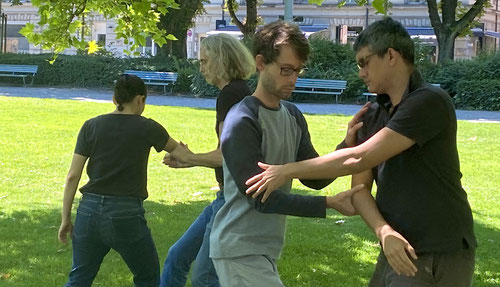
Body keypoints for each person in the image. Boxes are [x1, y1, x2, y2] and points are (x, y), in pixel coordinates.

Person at [246, 17, 477, 286]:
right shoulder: (373, 114)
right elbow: (360, 190)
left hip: (440, 247)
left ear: (390, 56)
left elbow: (359, 158)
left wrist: (286, 171)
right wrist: (384, 231)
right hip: (397, 246)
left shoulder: (430, 102)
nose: (361, 73)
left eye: (365, 62)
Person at [209, 20, 364, 287]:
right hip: (238, 249)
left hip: (264, 249)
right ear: (260, 62)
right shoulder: (242, 119)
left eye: (297, 71)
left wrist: (346, 145)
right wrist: (329, 204)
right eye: (285, 70)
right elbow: (261, 199)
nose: (292, 79)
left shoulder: (292, 115)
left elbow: (313, 177)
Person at [58, 74, 181, 287]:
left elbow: (72, 176)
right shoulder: (148, 127)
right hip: (126, 214)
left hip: (88, 212)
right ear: (140, 99)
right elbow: (181, 152)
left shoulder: (91, 126)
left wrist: (65, 218)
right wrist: (188, 156)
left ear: (115, 99)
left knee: (79, 278)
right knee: (147, 277)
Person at [160, 33, 256, 287]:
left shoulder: (231, 95)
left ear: (221, 61)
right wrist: (191, 161)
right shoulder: (237, 92)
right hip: (224, 198)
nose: (201, 67)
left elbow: (229, 154)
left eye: (204, 61)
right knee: (176, 258)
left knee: (205, 277)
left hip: (232, 201)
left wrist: (190, 157)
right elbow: (229, 153)